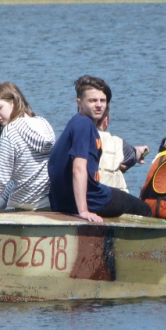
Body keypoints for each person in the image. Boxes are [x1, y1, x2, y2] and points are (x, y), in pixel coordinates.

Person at [48, 75, 151, 222]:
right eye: (92, 100)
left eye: (102, 100)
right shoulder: (85, 125)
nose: (99, 105)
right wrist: (83, 211)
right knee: (145, 210)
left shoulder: (74, 123)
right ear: (80, 103)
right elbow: (78, 168)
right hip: (94, 199)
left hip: (61, 202)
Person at [0, 82, 55, 214]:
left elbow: (0, 176)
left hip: (26, 204)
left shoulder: (11, 130)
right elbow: (18, 172)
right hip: (50, 202)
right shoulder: (43, 124)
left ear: (14, 102)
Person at [96, 105, 149, 193]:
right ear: (106, 121)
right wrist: (142, 151)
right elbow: (136, 154)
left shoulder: (75, 138)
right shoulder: (118, 143)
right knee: (144, 207)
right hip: (111, 199)